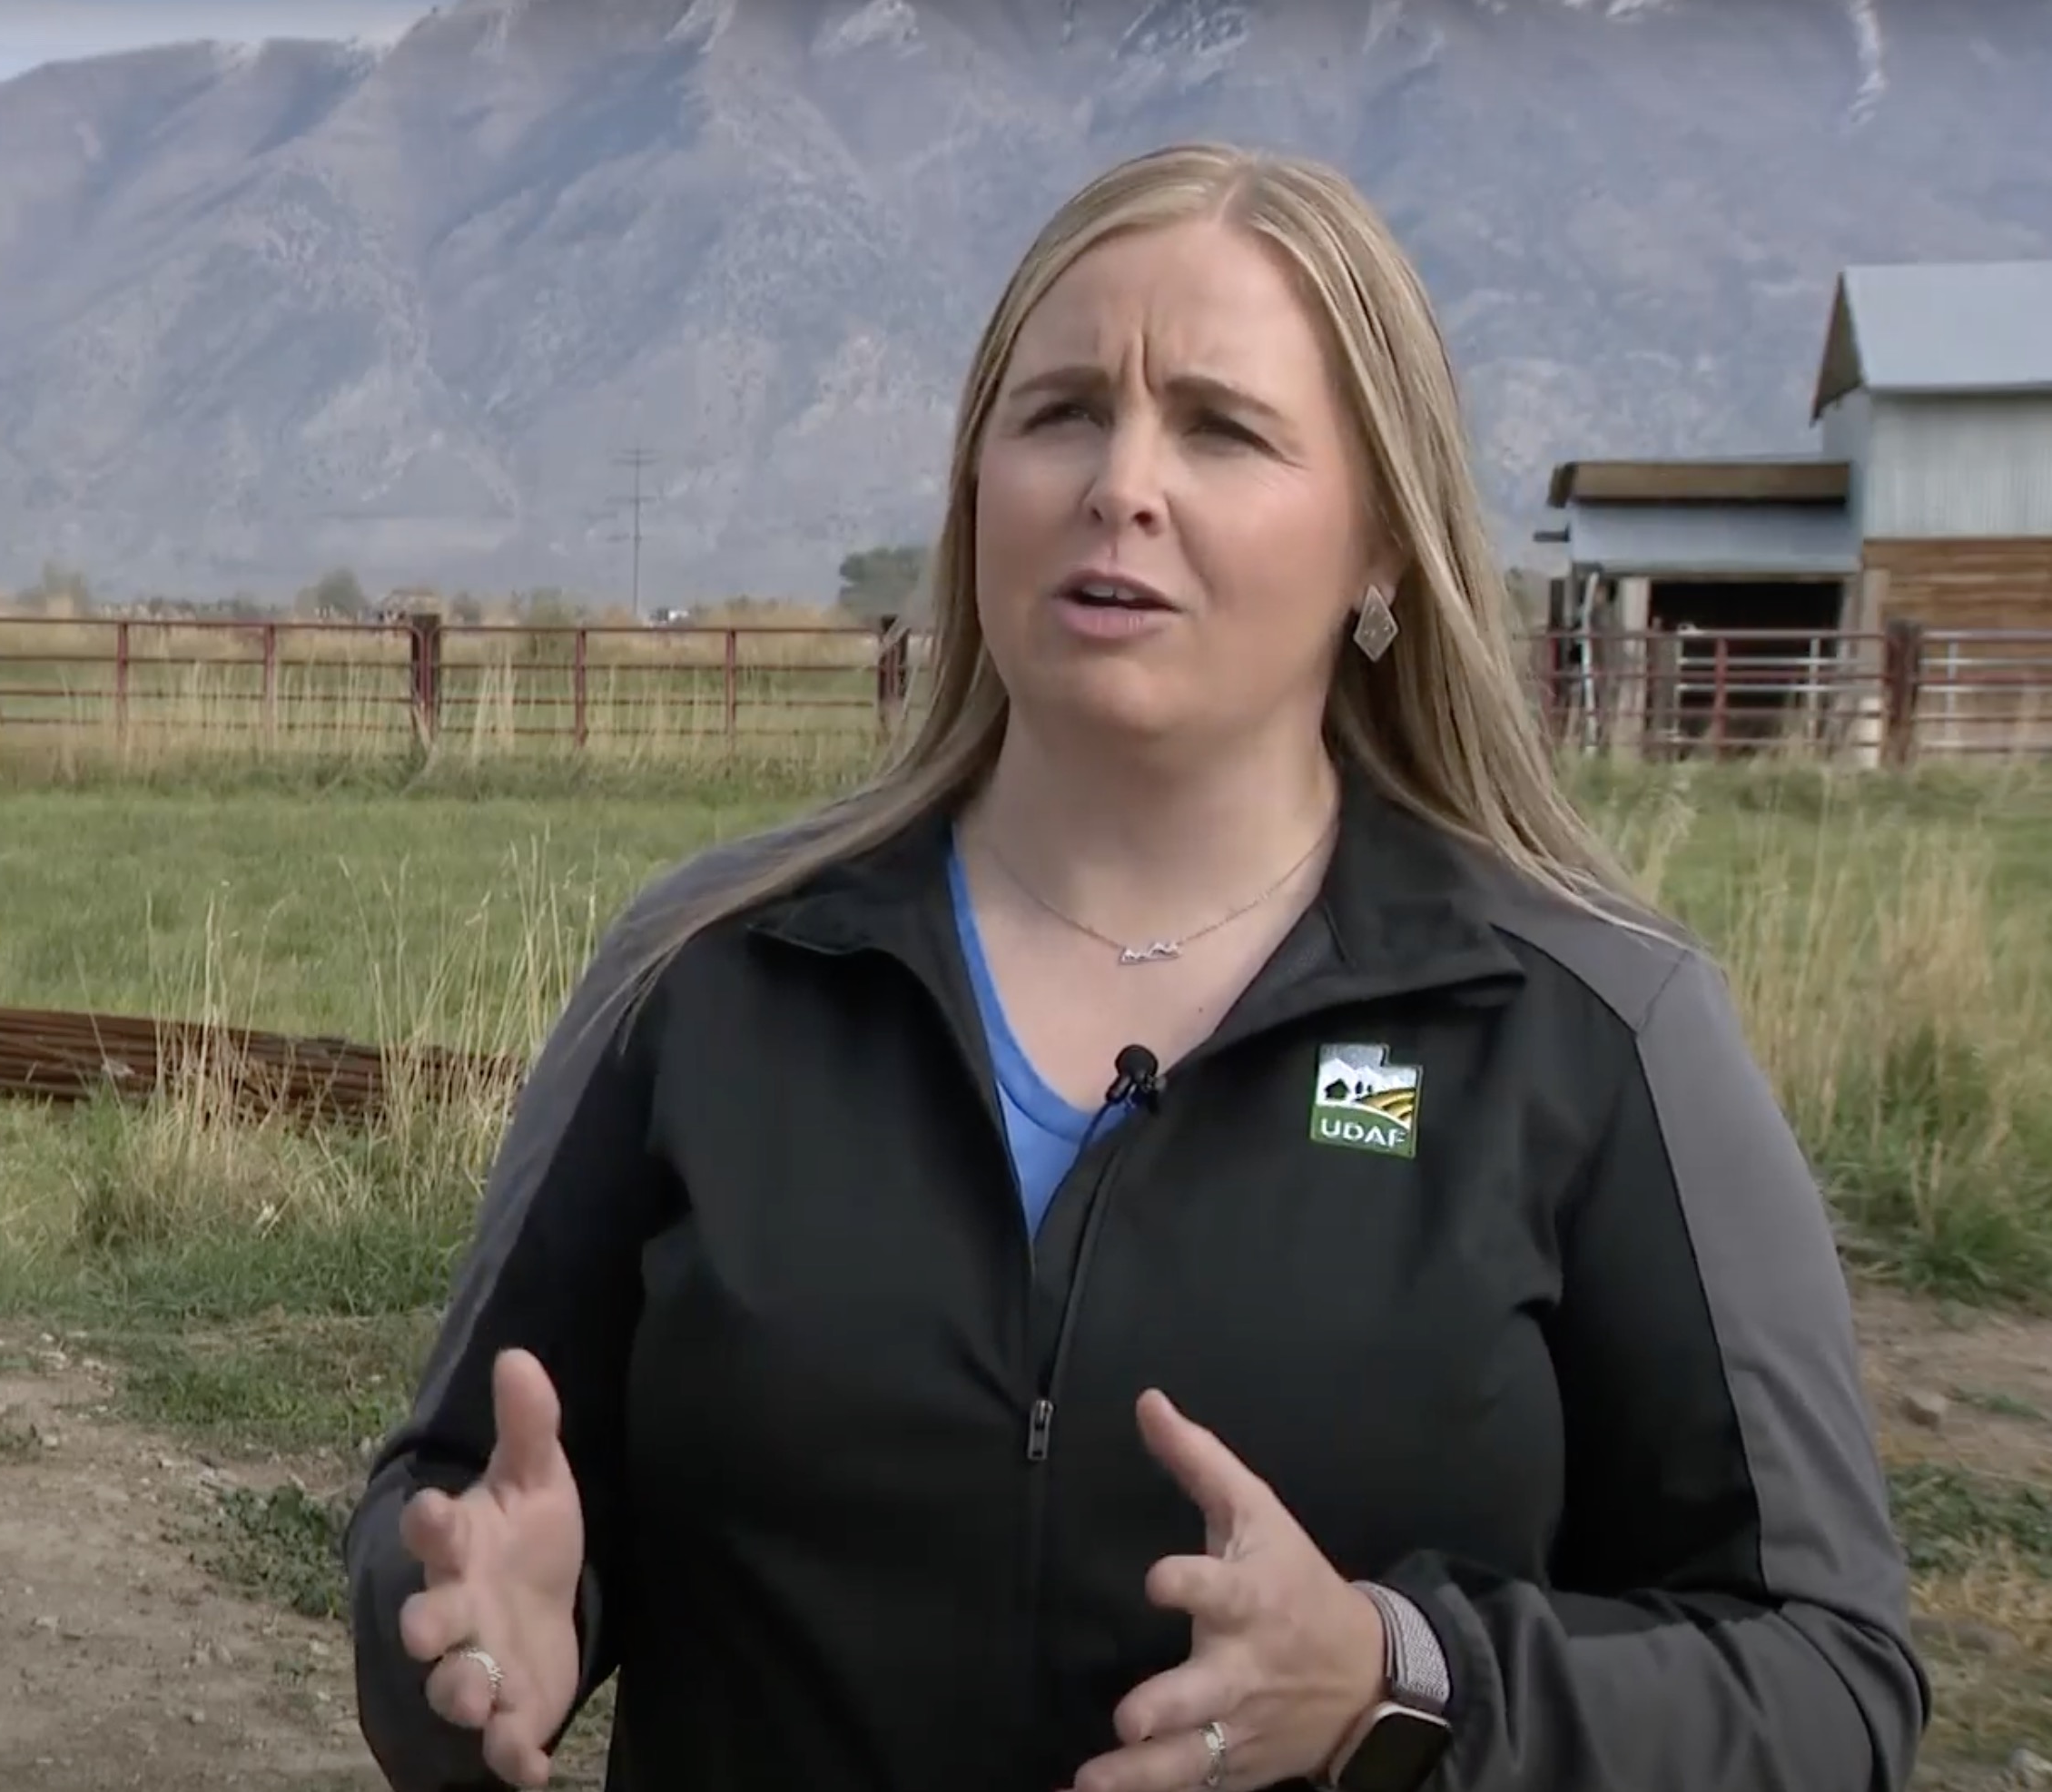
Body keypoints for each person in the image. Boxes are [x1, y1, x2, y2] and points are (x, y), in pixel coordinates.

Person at [341, 141, 1929, 1792]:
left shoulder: (1591, 1031)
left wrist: (1402, 1682)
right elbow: (454, 1503)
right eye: (1062, 413)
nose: (1122, 483)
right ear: (977, 486)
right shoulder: (708, 976)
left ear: (1381, 545)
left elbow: (1826, 1682)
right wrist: (461, 1635)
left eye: (1223, 428)